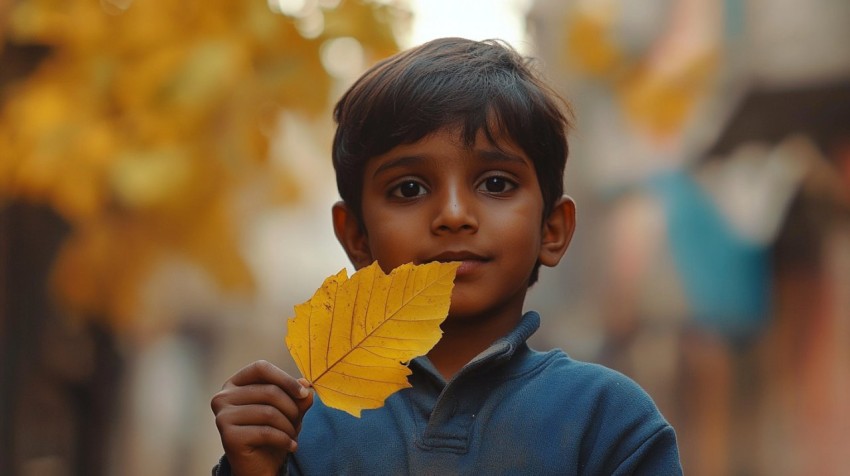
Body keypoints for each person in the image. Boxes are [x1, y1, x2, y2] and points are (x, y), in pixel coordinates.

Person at [211, 37, 682, 475]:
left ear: (552, 230)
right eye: (409, 188)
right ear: (356, 236)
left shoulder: (607, 419)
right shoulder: (302, 429)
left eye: (496, 184)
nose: (453, 215)